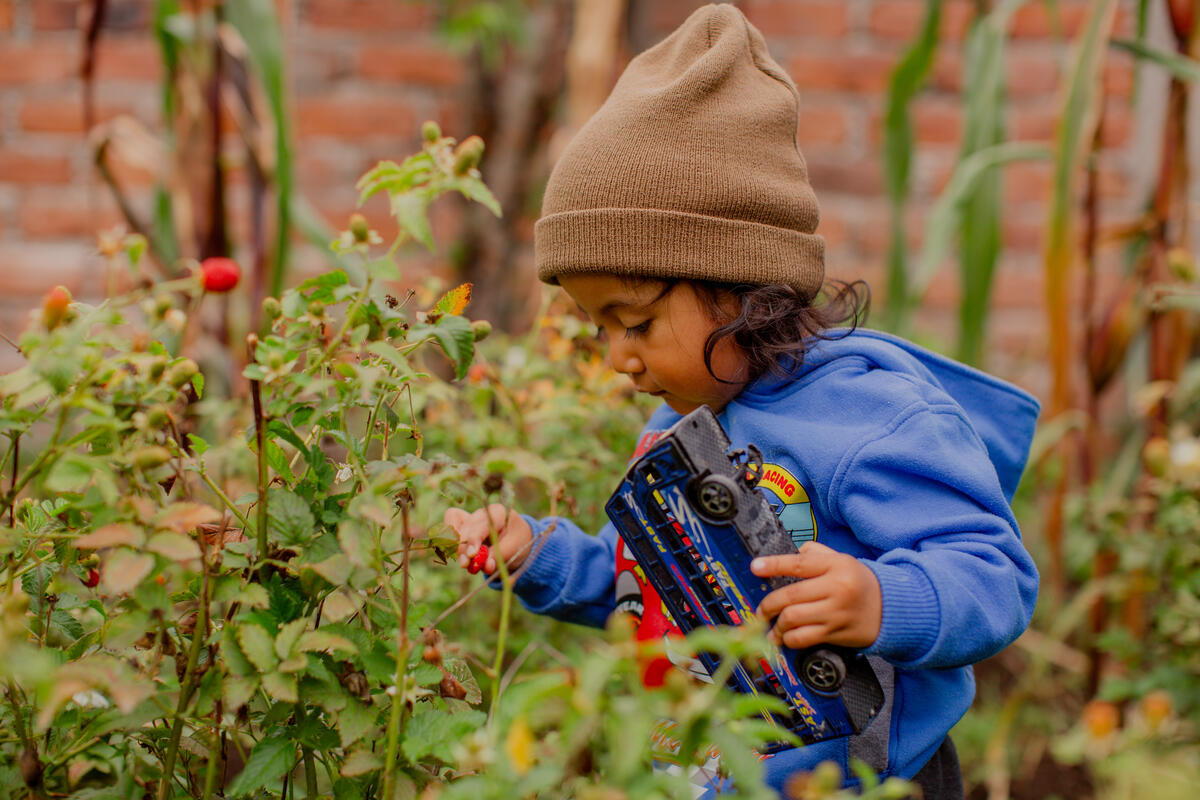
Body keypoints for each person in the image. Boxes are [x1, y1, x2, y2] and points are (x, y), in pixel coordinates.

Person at [443, 4, 1039, 798]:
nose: (618, 357)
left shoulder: (868, 417)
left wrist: (881, 600)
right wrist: (536, 555)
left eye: (638, 321)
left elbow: (992, 573)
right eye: (598, 330)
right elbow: (652, 596)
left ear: (743, 286)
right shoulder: (677, 429)